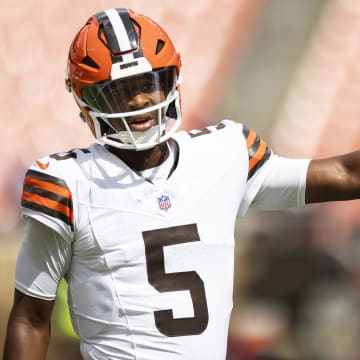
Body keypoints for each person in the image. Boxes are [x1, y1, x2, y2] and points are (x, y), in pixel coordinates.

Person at [3, 7, 360, 360]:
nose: (139, 100)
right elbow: (32, 317)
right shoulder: (68, 184)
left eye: (147, 84)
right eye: (119, 91)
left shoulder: (224, 152)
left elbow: (346, 174)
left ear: (171, 80)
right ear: (86, 100)